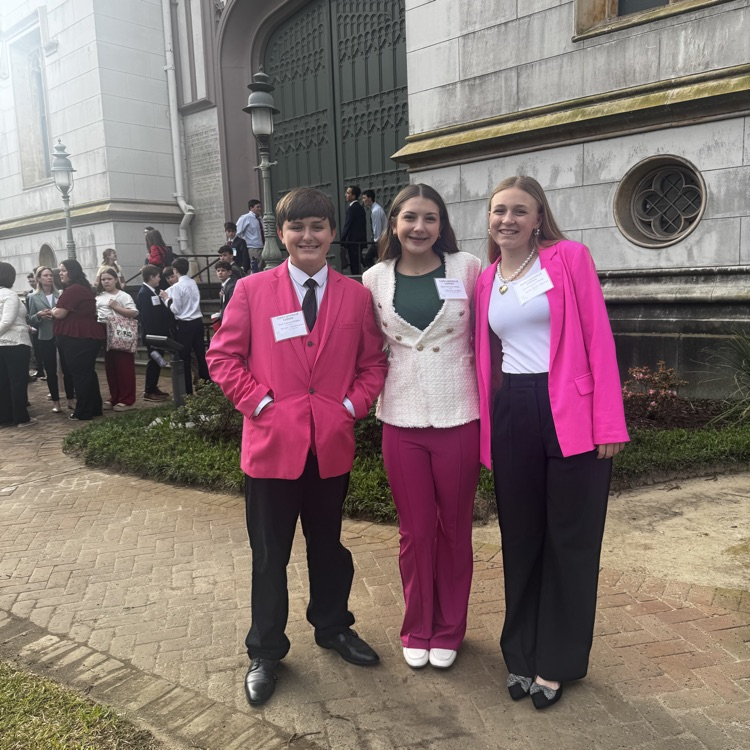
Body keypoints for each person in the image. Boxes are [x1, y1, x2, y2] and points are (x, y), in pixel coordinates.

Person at [207, 187, 387, 707]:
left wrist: (351, 407)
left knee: (328, 548)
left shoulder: (355, 295)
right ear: (280, 234)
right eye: (296, 228)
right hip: (271, 449)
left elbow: (373, 362)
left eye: (317, 227)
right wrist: (260, 404)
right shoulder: (251, 290)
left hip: (329, 446)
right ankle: (265, 650)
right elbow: (223, 358)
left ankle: (332, 628)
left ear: (332, 233)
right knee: (270, 557)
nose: (307, 236)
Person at [474, 175, 629, 709]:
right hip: (512, 409)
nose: (507, 220)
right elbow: (485, 360)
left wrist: (609, 423)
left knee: (570, 542)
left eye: (520, 211)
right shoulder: (487, 278)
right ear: (489, 219)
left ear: (539, 217)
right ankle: (519, 652)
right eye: (499, 211)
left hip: (574, 413)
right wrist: (487, 434)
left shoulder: (568, 258)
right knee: (520, 539)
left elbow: (598, 338)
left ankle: (557, 661)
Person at [362, 184, 481, 671]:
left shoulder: (467, 268)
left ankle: (450, 628)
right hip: (401, 419)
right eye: (409, 217)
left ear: (442, 224)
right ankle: (418, 626)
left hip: (459, 415)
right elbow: (368, 348)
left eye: (430, 218)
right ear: (393, 224)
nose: (419, 227)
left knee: (454, 530)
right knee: (414, 533)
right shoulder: (373, 279)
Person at [51, 260, 105, 420]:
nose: (60, 273)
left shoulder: (74, 289)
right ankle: (94, 407)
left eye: (64, 270)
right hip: (83, 336)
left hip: (78, 337)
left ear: (72, 272)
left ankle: (84, 411)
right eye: (60, 270)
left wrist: (53, 310)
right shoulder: (80, 288)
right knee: (87, 373)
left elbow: (60, 313)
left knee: (80, 374)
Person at [26, 266, 75, 414]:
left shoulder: (60, 294)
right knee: (51, 370)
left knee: (67, 368)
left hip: (62, 334)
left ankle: (71, 400)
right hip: (45, 336)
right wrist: (40, 315)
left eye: (50, 275)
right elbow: (30, 319)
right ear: (39, 279)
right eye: (45, 275)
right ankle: (56, 402)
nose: (49, 277)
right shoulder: (33, 297)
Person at [160, 257, 209, 395]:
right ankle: (206, 385)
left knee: (185, 358)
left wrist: (166, 298)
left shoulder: (177, 287)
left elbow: (175, 309)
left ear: (175, 270)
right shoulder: (193, 282)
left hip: (185, 324)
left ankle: (187, 390)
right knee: (200, 355)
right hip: (197, 321)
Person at [96, 268, 139, 412]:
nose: (106, 281)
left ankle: (127, 398)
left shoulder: (124, 296)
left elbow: (133, 312)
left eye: (109, 278)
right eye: (103, 279)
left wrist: (116, 307)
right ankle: (114, 396)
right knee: (111, 367)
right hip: (104, 332)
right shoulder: (99, 296)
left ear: (115, 280)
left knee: (124, 366)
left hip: (120, 332)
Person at [0, 261, 35, 427]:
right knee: (18, 381)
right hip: (15, 343)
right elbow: (7, 321)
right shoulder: (9, 295)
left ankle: (5, 417)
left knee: (4, 382)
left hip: (2, 345)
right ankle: (21, 418)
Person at [136, 265, 172, 402]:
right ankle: (149, 390)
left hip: (158, 334)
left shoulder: (152, 291)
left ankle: (153, 386)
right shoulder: (145, 293)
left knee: (158, 362)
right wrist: (153, 338)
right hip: (153, 336)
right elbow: (147, 318)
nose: (159, 279)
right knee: (154, 361)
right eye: (157, 276)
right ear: (151, 277)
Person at [341, 185, 367, 275]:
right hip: (359, 240)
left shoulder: (352, 209)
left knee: (354, 265)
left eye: (348, 193)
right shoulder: (360, 208)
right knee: (357, 263)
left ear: (354, 196)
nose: (346, 195)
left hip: (353, 241)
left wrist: (342, 239)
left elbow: (347, 225)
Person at [236, 199, 264, 273]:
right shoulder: (245, 218)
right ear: (251, 208)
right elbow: (238, 232)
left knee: (263, 268)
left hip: (263, 246)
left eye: (260, 207)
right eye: (257, 207)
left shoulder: (260, 219)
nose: (260, 209)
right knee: (256, 268)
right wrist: (248, 240)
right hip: (253, 247)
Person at [361, 190, 387, 269]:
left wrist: (377, 242)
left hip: (379, 241)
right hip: (380, 240)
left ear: (370, 198)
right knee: (380, 260)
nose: (363, 200)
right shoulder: (375, 209)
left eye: (364, 198)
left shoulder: (376, 210)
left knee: (369, 258)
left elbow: (377, 227)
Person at [213, 260, 238, 328]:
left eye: (223, 270)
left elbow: (232, 305)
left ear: (229, 272)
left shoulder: (231, 286)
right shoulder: (225, 285)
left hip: (231, 320)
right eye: (218, 271)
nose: (220, 273)